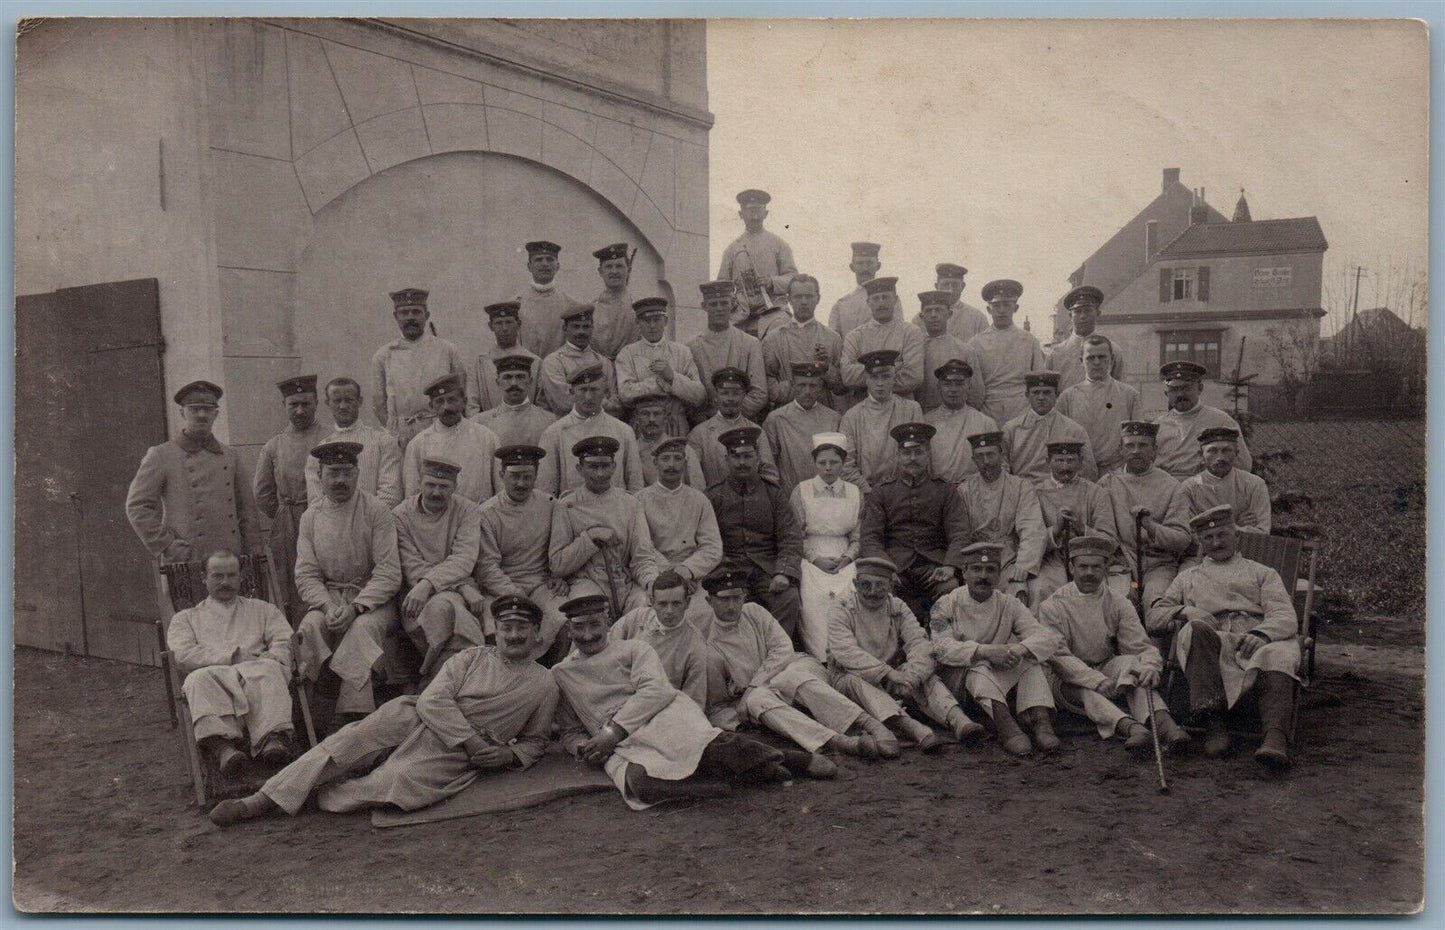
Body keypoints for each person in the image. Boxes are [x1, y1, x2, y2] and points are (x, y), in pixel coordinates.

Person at [208, 595, 559, 826]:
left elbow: (537, 741)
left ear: (536, 634)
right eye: (506, 628)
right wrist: (470, 740)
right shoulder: (470, 657)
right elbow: (432, 700)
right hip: (418, 717)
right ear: (495, 631)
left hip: (454, 754)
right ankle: (256, 803)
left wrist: (508, 756)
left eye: (522, 628)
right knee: (349, 741)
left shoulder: (544, 683)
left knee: (399, 780)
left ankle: (324, 792)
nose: (513, 635)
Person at [554, 592, 834, 810]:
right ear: (569, 630)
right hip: (619, 745)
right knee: (638, 784)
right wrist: (584, 748)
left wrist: (612, 732)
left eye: (595, 625)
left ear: (607, 622)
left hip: (660, 716)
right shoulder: (563, 673)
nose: (588, 635)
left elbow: (656, 691)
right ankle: (717, 786)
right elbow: (570, 730)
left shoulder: (633, 649)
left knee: (709, 747)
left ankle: (795, 760)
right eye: (579, 627)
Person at [1146, 505, 1300, 769]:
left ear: (1236, 536)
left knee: (1281, 652)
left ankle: (1275, 737)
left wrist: (1261, 634)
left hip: (1255, 638)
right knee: (1194, 630)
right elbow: (1154, 618)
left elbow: (1285, 615)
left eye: (1223, 535)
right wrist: (1185, 609)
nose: (1216, 542)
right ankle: (1214, 724)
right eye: (1208, 538)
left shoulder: (1262, 572)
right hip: (1211, 641)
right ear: (1201, 542)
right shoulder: (1188, 577)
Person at [700, 567, 894, 760]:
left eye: (737, 598)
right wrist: (745, 711)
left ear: (744, 597)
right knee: (757, 700)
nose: (732, 606)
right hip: (766, 695)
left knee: (789, 677)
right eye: (724, 599)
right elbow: (718, 702)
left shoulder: (754, 612)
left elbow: (783, 649)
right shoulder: (707, 642)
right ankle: (837, 741)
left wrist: (753, 685)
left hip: (798, 670)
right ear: (709, 601)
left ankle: (870, 725)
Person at [1038, 535, 1189, 752]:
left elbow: (1139, 646)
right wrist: (1095, 680)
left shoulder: (1118, 602)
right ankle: (1131, 728)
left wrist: (1149, 666)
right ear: (1071, 568)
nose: (1089, 573)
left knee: (1133, 666)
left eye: (1096, 567)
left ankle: (1165, 725)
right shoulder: (1051, 606)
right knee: (1086, 690)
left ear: (1106, 568)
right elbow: (1059, 658)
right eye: (1083, 567)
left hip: (1105, 666)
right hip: (1066, 678)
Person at [294, 441, 405, 724]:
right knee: (309, 628)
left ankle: (354, 717)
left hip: (373, 601)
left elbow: (389, 572)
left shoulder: (377, 511)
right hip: (329, 598)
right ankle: (308, 717)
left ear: (357, 474)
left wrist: (356, 607)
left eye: (346, 472)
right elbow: (306, 574)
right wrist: (328, 606)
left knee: (360, 629)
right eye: (333, 472)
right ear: (320, 476)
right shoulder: (310, 517)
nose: (340, 480)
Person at [827, 556, 985, 748]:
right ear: (855, 583)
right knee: (854, 681)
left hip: (891, 676)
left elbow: (919, 642)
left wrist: (913, 676)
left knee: (924, 674)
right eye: (865, 585)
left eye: (880, 586)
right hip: (850, 676)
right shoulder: (842, 607)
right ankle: (912, 727)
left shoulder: (897, 607)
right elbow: (846, 652)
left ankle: (958, 720)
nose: (873, 592)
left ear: (890, 586)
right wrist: (890, 674)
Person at [167, 549, 294, 777]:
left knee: (271, 670)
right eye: (217, 576)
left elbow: (284, 639)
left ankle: (272, 740)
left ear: (241, 577)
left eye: (231, 575)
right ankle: (222, 748)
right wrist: (231, 657)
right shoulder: (185, 618)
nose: (225, 582)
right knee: (197, 679)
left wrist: (273, 656)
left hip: (257, 671)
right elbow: (183, 654)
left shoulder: (263, 609)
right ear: (203, 578)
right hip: (213, 675)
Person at [930, 542, 1063, 757]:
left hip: (997, 680)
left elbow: (1047, 637)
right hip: (960, 685)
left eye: (990, 569)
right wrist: (984, 651)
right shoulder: (945, 604)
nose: (983, 576)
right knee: (979, 666)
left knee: (1029, 660)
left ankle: (1041, 722)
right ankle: (1006, 728)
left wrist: (1018, 650)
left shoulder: (1009, 604)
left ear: (999, 574)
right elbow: (939, 648)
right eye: (976, 569)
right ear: (964, 572)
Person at [127, 379, 260, 566]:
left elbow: (248, 512)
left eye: (207, 409)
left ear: (216, 414)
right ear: (182, 413)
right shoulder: (161, 454)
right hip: (188, 558)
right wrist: (166, 544)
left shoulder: (230, 455)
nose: (201, 415)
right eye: (194, 408)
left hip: (230, 559)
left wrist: (254, 553)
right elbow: (137, 506)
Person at [858, 422, 972, 621]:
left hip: (933, 564)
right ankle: (894, 646)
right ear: (898, 456)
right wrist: (884, 567)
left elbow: (960, 532)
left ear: (928, 455)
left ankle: (941, 640)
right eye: (907, 454)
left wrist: (949, 566)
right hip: (895, 565)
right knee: (882, 588)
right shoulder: (882, 491)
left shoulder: (945, 490)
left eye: (918, 453)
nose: (913, 459)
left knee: (950, 588)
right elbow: (870, 537)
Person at [392, 457, 487, 685]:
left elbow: (463, 558)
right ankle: (458, 680)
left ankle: (437, 680)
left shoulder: (467, 510)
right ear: (419, 483)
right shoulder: (400, 515)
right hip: (414, 595)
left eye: (444, 486)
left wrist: (431, 584)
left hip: (446, 589)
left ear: (455, 487)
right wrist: (459, 587)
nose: (436, 492)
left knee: (446, 607)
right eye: (430, 485)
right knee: (444, 608)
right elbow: (411, 565)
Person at [705, 427, 804, 638]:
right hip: (728, 568)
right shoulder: (714, 496)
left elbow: (790, 537)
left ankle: (777, 649)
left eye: (748, 456)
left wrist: (783, 572)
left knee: (789, 598)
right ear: (727, 459)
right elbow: (707, 541)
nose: (742, 462)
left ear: (758, 457)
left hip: (767, 568)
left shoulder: (773, 494)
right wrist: (722, 570)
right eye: (736, 456)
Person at [549, 436, 663, 615]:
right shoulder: (566, 505)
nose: (600, 473)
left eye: (605, 466)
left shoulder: (630, 504)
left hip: (625, 581)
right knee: (589, 611)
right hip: (586, 582)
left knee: (645, 609)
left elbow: (643, 556)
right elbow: (557, 564)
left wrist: (650, 582)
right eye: (593, 467)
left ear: (614, 467)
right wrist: (590, 538)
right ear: (580, 469)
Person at [475, 445, 569, 662]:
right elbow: (487, 567)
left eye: (528, 477)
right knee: (494, 630)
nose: (521, 483)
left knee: (562, 622)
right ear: (501, 475)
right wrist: (515, 593)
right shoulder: (487, 513)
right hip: (501, 588)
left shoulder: (550, 505)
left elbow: (559, 550)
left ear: (536, 475)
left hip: (540, 585)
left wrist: (560, 577)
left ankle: (550, 679)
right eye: (514, 476)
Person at [1095, 421, 1193, 610]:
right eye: (1130, 445)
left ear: (1154, 450)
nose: (1136, 451)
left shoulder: (1172, 487)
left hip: (1157, 566)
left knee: (1156, 603)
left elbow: (1182, 539)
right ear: (1121, 450)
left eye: (1143, 445)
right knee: (1119, 602)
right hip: (1121, 565)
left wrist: (1151, 527)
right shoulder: (1107, 484)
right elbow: (1102, 532)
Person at [255, 375, 328, 624]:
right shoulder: (274, 446)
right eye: (293, 404)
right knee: (290, 586)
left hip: (325, 519)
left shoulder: (329, 438)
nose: (299, 410)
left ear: (317, 403)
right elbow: (262, 493)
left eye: (306, 404)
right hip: (288, 524)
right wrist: (286, 513)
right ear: (283, 405)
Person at [791, 432, 862, 661]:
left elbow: (858, 536)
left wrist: (847, 559)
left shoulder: (854, 492)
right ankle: (821, 657)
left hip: (844, 555)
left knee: (848, 595)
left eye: (834, 462)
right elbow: (795, 535)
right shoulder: (801, 491)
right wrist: (815, 559)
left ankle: (848, 656)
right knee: (814, 598)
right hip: (811, 556)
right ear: (815, 463)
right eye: (822, 463)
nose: (828, 468)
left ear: (843, 463)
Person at [635, 437, 723, 624]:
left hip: (692, 575)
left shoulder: (699, 500)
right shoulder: (639, 500)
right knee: (645, 611)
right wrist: (669, 573)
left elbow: (712, 546)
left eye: (677, 458)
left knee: (703, 613)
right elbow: (641, 547)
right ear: (655, 462)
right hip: (653, 571)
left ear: (685, 462)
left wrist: (687, 570)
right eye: (665, 458)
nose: (671, 465)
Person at [371, 287, 471, 448]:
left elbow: (464, 393)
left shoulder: (447, 350)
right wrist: (394, 431)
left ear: (427, 315)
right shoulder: (383, 355)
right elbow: (379, 404)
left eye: (416, 312)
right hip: (402, 437)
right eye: (404, 313)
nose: (410, 317)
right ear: (396, 317)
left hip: (442, 430)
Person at [956, 431, 1047, 605]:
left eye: (990, 455)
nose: (986, 462)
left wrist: (1024, 565)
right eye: (980, 457)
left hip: (1008, 557)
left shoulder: (1020, 486)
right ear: (973, 460)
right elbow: (960, 533)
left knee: (1017, 593)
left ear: (1001, 455)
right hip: (974, 556)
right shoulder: (964, 490)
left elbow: (1032, 527)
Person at [1033, 441, 1124, 605]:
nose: (1065, 467)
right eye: (1059, 461)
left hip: (1089, 560)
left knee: (1106, 595)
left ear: (1081, 462)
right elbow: (1030, 540)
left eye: (1070, 460)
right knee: (1041, 588)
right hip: (1052, 561)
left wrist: (1082, 528)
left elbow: (1110, 540)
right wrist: (1056, 529)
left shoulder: (1096, 493)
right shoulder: (1036, 493)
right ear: (1048, 462)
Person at [535, 364, 645, 496]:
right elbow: (546, 489)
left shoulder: (623, 431)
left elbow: (635, 484)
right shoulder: (554, 433)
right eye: (582, 390)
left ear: (605, 392)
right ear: (572, 392)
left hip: (615, 512)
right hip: (573, 512)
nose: (588, 397)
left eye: (594, 390)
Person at [612, 571, 710, 708]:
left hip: (660, 708)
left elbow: (694, 701)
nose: (669, 611)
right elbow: (608, 648)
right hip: (619, 694)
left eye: (676, 604)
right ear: (652, 602)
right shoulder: (636, 618)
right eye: (662, 604)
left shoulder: (695, 645)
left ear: (687, 603)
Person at [305, 377, 403, 510]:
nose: (343, 406)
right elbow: (316, 501)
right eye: (337, 401)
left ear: (359, 401)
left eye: (349, 400)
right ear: (328, 403)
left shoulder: (383, 441)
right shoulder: (319, 451)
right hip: (332, 525)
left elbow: (390, 494)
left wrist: (365, 522)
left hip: (373, 524)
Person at [615, 296, 707, 437]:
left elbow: (699, 395)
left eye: (657, 320)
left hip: (676, 427)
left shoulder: (682, 352)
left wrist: (672, 377)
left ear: (666, 321)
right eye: (646, 320)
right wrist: (659, 382)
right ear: (637, 322)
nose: (652, 326)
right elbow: (626, 395)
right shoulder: (627, 354)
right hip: (642, 428)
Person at [402, 373, 500, 506]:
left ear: (464, 402)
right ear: (431, 406)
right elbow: (412, 495)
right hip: (436, 522)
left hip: (479, 518)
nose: (446, 407)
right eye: (439, 401)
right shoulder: (418, 444)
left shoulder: (487, 437)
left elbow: (501, 490)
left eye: (452, 400)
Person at [1055, 335, 1141, 474]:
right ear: (1081, 361)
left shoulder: (1129, 395)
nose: (1096, 362)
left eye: (1102, 357)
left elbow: (1137, 440)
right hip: (1079, 473)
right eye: (1090, 357)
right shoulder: (1067, 397)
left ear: (1112, 359)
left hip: (1117, 472)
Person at [839, 349, 925, 488]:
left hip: (904, 491)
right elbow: (846, 464)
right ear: (866, 379)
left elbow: (919, 455)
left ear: (894, 378)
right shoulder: (851, 416)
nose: (880, 383)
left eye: (885, 377)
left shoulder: (911, 409)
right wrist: (868, 491)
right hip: (867, 491)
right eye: (874, 377)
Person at [1153, 360, 1253, 478]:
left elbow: (1244, 465)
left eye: (1186, 388)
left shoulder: (1221, 421)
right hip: (1167, 488)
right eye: (1174, 390)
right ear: (1166, 394)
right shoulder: (1157, 426)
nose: (1180, 394)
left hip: (1206, 488)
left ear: (1200, 388)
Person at [716, 189, 797, 335]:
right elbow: (722, 287)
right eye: (749, 210)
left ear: (766, 213)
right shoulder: (732, 250)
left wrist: (771, 282)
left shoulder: (779, 244)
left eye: (758, 210)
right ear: (741, 214)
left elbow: (793, 279)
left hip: (774, 312)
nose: (754, 215)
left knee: (779, 333)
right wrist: (736, 300)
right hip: (741, 317)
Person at [762, 361, 851, 493]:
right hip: (790, 494)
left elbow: (841, 462)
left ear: (821, 386)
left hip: (826, 494)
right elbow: (769, 465)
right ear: (792, 385)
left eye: (812, 386)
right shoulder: (777, 419)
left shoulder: (833, 418)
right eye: (802, 385)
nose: (807, 392)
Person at [967, 279, 1046, 425]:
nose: (1001, 310)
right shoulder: (976, 343)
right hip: (988, 409)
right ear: (989, 309)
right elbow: (973, 387)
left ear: (1015, 307)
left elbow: (1038, 380)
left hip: (1022, 408)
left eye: (1006, 305)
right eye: (996, 305)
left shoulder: (1029, 340)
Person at [761, 274, 846, 411]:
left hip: (823, 414)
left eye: (809, 296)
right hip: (785, 416)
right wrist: (793, 389)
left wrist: (826, 368)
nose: (804, 301)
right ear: (789, 299)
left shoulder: (833, 338)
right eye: (798, 297)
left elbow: (841, 387)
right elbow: (766, 382)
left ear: (818, 299)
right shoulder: (773, 339)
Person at [1000, 370, 1098, 486]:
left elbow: (1088, 471)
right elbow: (1002, 468)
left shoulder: (1074, 430)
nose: (1041, 397)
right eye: (1036, 392)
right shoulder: (1012, 429)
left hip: (1062, 491)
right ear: (1027, 395)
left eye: (1047, 393)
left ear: (1057, 395)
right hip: (1023, 492)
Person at [688, 280, 768, 421]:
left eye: (724, 303)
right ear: (704, 306)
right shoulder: (692, 347)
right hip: (705, 424)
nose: (719, 308)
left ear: (732, 304)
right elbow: (692, 394)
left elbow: (759, 394)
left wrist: (729, 415)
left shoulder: (750, 344)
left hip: (740, 423)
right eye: (713, 304)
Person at [838, 276, 926, 405]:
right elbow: (848, 377)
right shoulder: (855, 336)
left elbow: (913, 377)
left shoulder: (911, 332)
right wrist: (896, 367)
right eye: (876, 298)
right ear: (868, 302)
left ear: (895, 300)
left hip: (902, 407)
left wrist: (868, 374)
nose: (881, 303)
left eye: (885, 297)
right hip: (864, 407)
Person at [688, 368, 781, 488]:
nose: (730, 399)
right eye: (724, 393)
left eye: (736, 393)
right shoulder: (699, 434)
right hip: (714, 503)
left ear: (744, 396)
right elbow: (694, 479)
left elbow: (769, 475)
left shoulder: (757, 432)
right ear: (716, 396)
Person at [1180, 426, 1271, 534]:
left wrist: (1208, 527)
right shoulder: (1190, 487)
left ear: (1237, 453)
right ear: (1201, 455)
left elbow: (1262, 532)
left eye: (1226, 450)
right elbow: (1189, 533)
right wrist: (1234, 526)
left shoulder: (1254, 484)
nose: (1220, 458)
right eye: (1212, 451)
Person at [923, 359, 998, 484]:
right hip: (937, 492)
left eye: (959, 384)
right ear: (938, 387)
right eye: (947, 384)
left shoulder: (985, 423)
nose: (953, 390)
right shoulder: (926, 422)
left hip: (973, 491)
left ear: (969, 386)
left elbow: (997, 465)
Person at [537, 305, 620, 416]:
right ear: (565, 329)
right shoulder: (553, 361)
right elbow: (564, 403)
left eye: (586, 327)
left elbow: (616, 403)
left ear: (592, 328)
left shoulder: (604, 362)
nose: (581, 332)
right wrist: (604, 402)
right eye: (576, 327)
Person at [516, 239, 589, 359]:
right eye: (539, 259)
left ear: (558, 266)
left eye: (550, 259)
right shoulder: (516, 304)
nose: (545, 264)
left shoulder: (572, 306)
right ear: (529, 266)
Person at [914, 289, 982, 412]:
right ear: (921, 316)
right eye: (929, 310)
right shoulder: (913, 348)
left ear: (949, 314)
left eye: (939, 310)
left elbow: (976, 393)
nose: (934, 315)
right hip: (920, 417)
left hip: (955, 416)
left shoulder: (965, 350)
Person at [1047, 286, 1125, 391]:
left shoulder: (1114, 351)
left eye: (1088, 311)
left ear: (1097, 314)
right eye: (1078, 311)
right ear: (1070, 315)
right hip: (1066, 407)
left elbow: (1120, 391)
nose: (1083, 316)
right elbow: (1048, 393)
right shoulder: (1056, 354)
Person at [470, 301, 541, 413]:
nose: (504, 328)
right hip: (489, 426)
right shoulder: (481, 362)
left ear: (518, 324)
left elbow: (541, 402)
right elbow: (472, 403)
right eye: (499, 323)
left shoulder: (535, 361)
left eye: (508, 322)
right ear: (491, 326)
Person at [473, 354, 557, 448]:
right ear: (498, 382)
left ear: (530, 381)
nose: (514, 383)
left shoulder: (550, 421)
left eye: (520, 377)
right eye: (507, 377)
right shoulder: (481, 423)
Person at [828, 242, 900, 340]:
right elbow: (833, 342)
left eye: (870, 263)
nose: (865, 268)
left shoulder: (891, 300)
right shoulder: (841, 305)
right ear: (852, 267)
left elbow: (899, 333)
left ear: (878, 265)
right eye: (860, 263)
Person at [634, 395, 706, 488]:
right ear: (637, 419)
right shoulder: (632, 449)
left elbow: (698, 487)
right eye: (645, 414)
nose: (651, 419)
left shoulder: (684, 449)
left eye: (657, 414)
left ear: (666, 419)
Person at [588, 242, 640, 360]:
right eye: (609, 266)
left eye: (619, 266)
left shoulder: (638, 308)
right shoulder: (591, 309)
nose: (614, 271)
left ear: (629, 270)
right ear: (600, 272)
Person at [929, 262, 991, 343]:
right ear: (936, 286)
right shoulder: (923, 318)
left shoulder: (978, 318)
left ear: (963, 286)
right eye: (946, 284)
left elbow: (985, 348)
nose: (950, 290)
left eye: (955, 285)